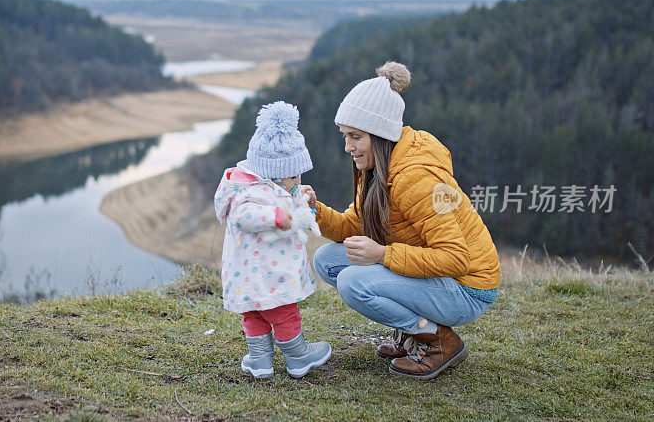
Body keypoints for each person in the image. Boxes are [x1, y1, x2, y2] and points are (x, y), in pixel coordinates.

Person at [304, 61, 501, 380]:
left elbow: (456, 259)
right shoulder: (378, 170)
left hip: (467, 288)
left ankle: (436, 339)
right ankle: (412, 333)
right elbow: (350, 228)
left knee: (354, 282)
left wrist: (382, 255)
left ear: (380, 135)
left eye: (355, 136)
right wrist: (313, 208)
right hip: (438, 275)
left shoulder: (417, 180)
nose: (347, 147)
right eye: (345, 136)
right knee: (328, 260)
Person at [214, 101, 332, 379]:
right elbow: (243, 216)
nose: (297, 179)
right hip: (269, 274)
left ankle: (260, 361)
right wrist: (277, 216)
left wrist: (306, 202)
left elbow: (292, 207)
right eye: (293, 175)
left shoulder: (268, 187)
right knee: (283, 312)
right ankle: (298, 356)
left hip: (253, 274)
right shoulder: (248, 192)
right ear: (274, 174)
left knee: (254, 314)